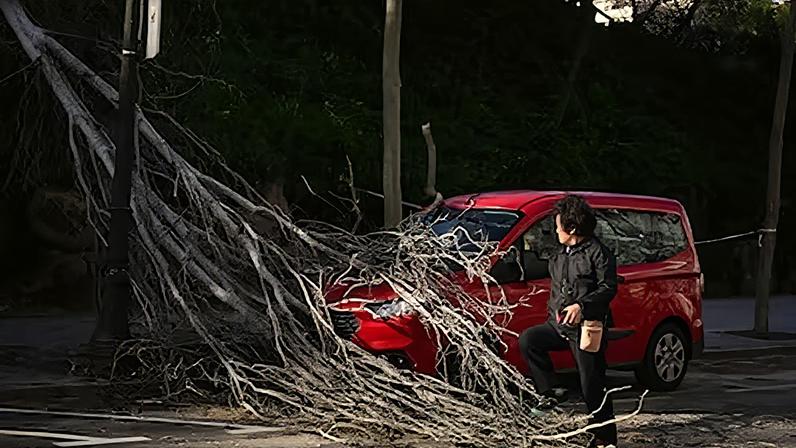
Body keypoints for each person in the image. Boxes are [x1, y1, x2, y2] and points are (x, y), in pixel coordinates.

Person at [519, 194, 618, 447]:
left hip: (587, 330)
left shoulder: (599, 253)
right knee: (529, 340)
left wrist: (582, 306)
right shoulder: (560, 254)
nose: (555, 231)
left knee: (592, 386)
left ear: (571, 228)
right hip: (558, 325)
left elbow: (608, 288)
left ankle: (605, 439)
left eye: (558, 226)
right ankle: (551, 392)